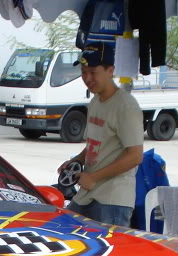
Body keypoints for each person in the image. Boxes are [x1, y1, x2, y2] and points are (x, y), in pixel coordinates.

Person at [57, 42, 143, 227]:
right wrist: (76, 161)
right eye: (83, 72)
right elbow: (95, 144)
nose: (87, 78)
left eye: (93, 72)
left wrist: (94, 177)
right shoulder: (95, 101)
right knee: (63, 229)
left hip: (113, 199)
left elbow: (135, 156)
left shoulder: (125, 106)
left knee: (106, 252)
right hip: (87, 193)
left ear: (110, 70)